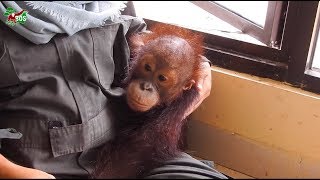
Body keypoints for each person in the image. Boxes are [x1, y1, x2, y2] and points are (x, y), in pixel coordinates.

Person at [0, 1, 228, 179]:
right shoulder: (13, 16)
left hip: (126, 153)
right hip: (37, 167)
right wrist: (11, 172)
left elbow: (140, 40)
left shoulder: (106, 5)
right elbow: (22, 19)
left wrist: (194, 65)